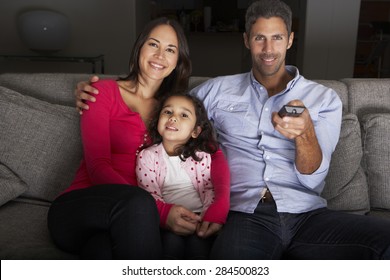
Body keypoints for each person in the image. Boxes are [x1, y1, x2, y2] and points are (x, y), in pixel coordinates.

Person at [74, 0, 390, 259]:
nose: (268, 48)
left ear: (290, 40)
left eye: (277, 37)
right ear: (246, 40)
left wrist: (305, 134)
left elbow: (312, 177)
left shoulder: (324, 99)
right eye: (259, 38)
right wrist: (93, 91)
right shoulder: (215, 92)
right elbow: (167, 111)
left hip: (307, 214)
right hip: (245, 216)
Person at [47, 17, 230, 260]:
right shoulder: (102, 93)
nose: (160, 55)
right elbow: (98, 166)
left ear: (177, 61)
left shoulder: (173, 109)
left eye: (170, 50)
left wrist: (220, 206)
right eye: (153, 44)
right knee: (138, 204)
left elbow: (213, 153)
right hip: (82, 208)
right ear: (139, 48)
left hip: (131, 221)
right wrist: (161, 212)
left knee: (102, 251)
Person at [136, 93, 230, 259]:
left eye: (183, 115)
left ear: (195, 131)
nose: (173, 118)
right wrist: (165, 220)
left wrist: (205, 217)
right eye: (167, 112)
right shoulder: (147, 156)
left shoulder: (201, 155)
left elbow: (209, 189)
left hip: (199, 218)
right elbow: (150, 194)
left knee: (198, 250)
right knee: (171, 247)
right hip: (168, 224)